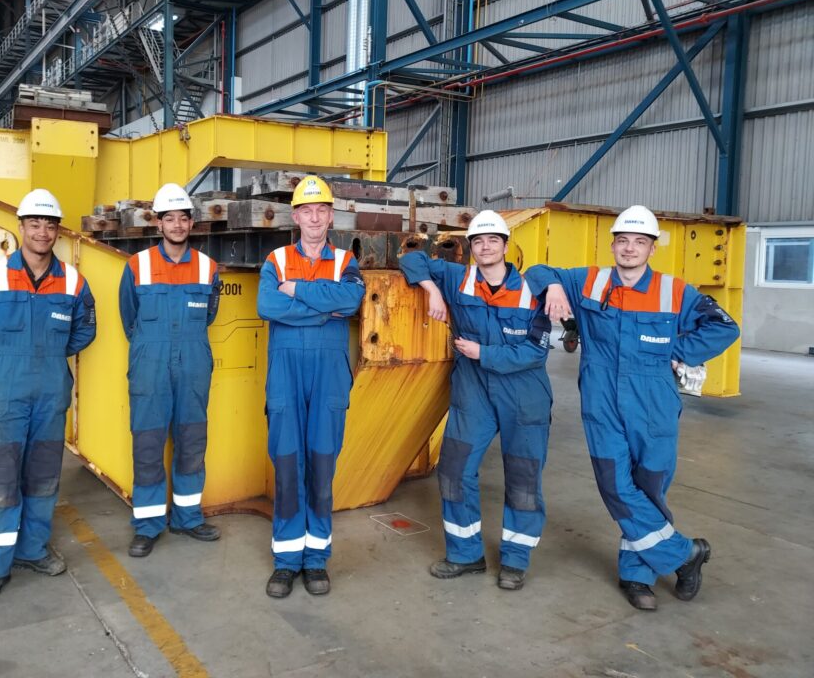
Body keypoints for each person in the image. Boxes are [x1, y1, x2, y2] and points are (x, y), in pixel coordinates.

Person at [524, 205, 739, 611]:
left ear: (651, 250)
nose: (629, 249)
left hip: (654, 403)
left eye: (639, 242)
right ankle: (684, 554)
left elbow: (725, 326)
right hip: (602, 400)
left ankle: (637, 577)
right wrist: (553, 288)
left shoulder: (674, 291)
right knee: (615, 486)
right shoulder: (588, 281)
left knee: (649, 489)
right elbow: (536, 270)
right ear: (613, 245)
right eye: (623, 241)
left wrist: (677, 351)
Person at [0, 188, 97, 605]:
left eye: (49, 225)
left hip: (51, 393)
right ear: (21, 228)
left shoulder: (73, 281)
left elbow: (86, 329)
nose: (42, 232)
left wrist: (51, 354)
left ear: (57, 231)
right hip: (5, 394)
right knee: (0, 480)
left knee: (43, 477)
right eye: (34, 223)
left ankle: (33, 550)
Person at [400, 210, 553, 591]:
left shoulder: (533, 290)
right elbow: (410, 256)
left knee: (522, 478)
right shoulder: (458, 279)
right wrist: (431, 288)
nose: (485, 247)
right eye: (478, 241)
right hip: (474, 392)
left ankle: (515, 560)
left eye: (493, 241)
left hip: (525, 395)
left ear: (505, 247)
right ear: (471, 248)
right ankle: (465, 554)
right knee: (453, 472)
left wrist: (483, 353)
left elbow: (536, 350)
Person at [257, 175, 365, 598]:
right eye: (307, 210)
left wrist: (298, 293)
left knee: (321, 465)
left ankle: (316, 558)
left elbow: (352, 301)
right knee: (287, 464)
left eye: (322, 210)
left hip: (329, 375)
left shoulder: (345, 261)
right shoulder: (276, 260)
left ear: (330, 216)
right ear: (296, 216)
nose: (315, 217)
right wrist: (325, 308)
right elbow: (268, 306)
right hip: (285, 372)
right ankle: (286, 561)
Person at [120, 183, 221, 558]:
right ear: (158, 224)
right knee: (147, 445)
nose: (177, 225)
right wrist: (152, 348)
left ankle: (188, 518)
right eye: (169, 219)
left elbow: (210, 313)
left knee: (192, 444)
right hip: (150, 367)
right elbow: (128, 316)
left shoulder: (208, 268)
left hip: (193, 366)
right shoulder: (137, 266)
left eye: (183, 218)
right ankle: (147, 526)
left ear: (191, 223)